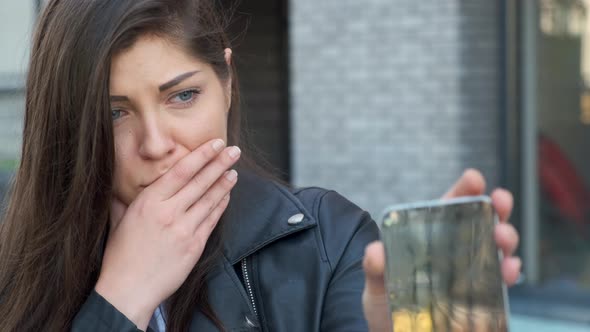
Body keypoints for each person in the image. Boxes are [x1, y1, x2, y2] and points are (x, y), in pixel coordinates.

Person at [0, 0, 521, 331]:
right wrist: (122, 298)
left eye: (182, 96)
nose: (156, 144)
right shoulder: (17, 269)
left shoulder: (327, 239)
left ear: (227, 83)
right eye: (114, 112)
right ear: (69, 123)